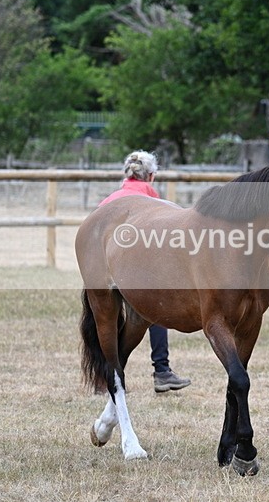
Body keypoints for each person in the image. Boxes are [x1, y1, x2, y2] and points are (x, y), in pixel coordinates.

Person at [98, 150, 192, 393]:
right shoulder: (153, 201)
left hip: (106, 266)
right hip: (141, 271)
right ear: (151, 176)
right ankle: (161, 370)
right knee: (156, 308)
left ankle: (104, 375)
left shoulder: (108, 201)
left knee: (103, 316)